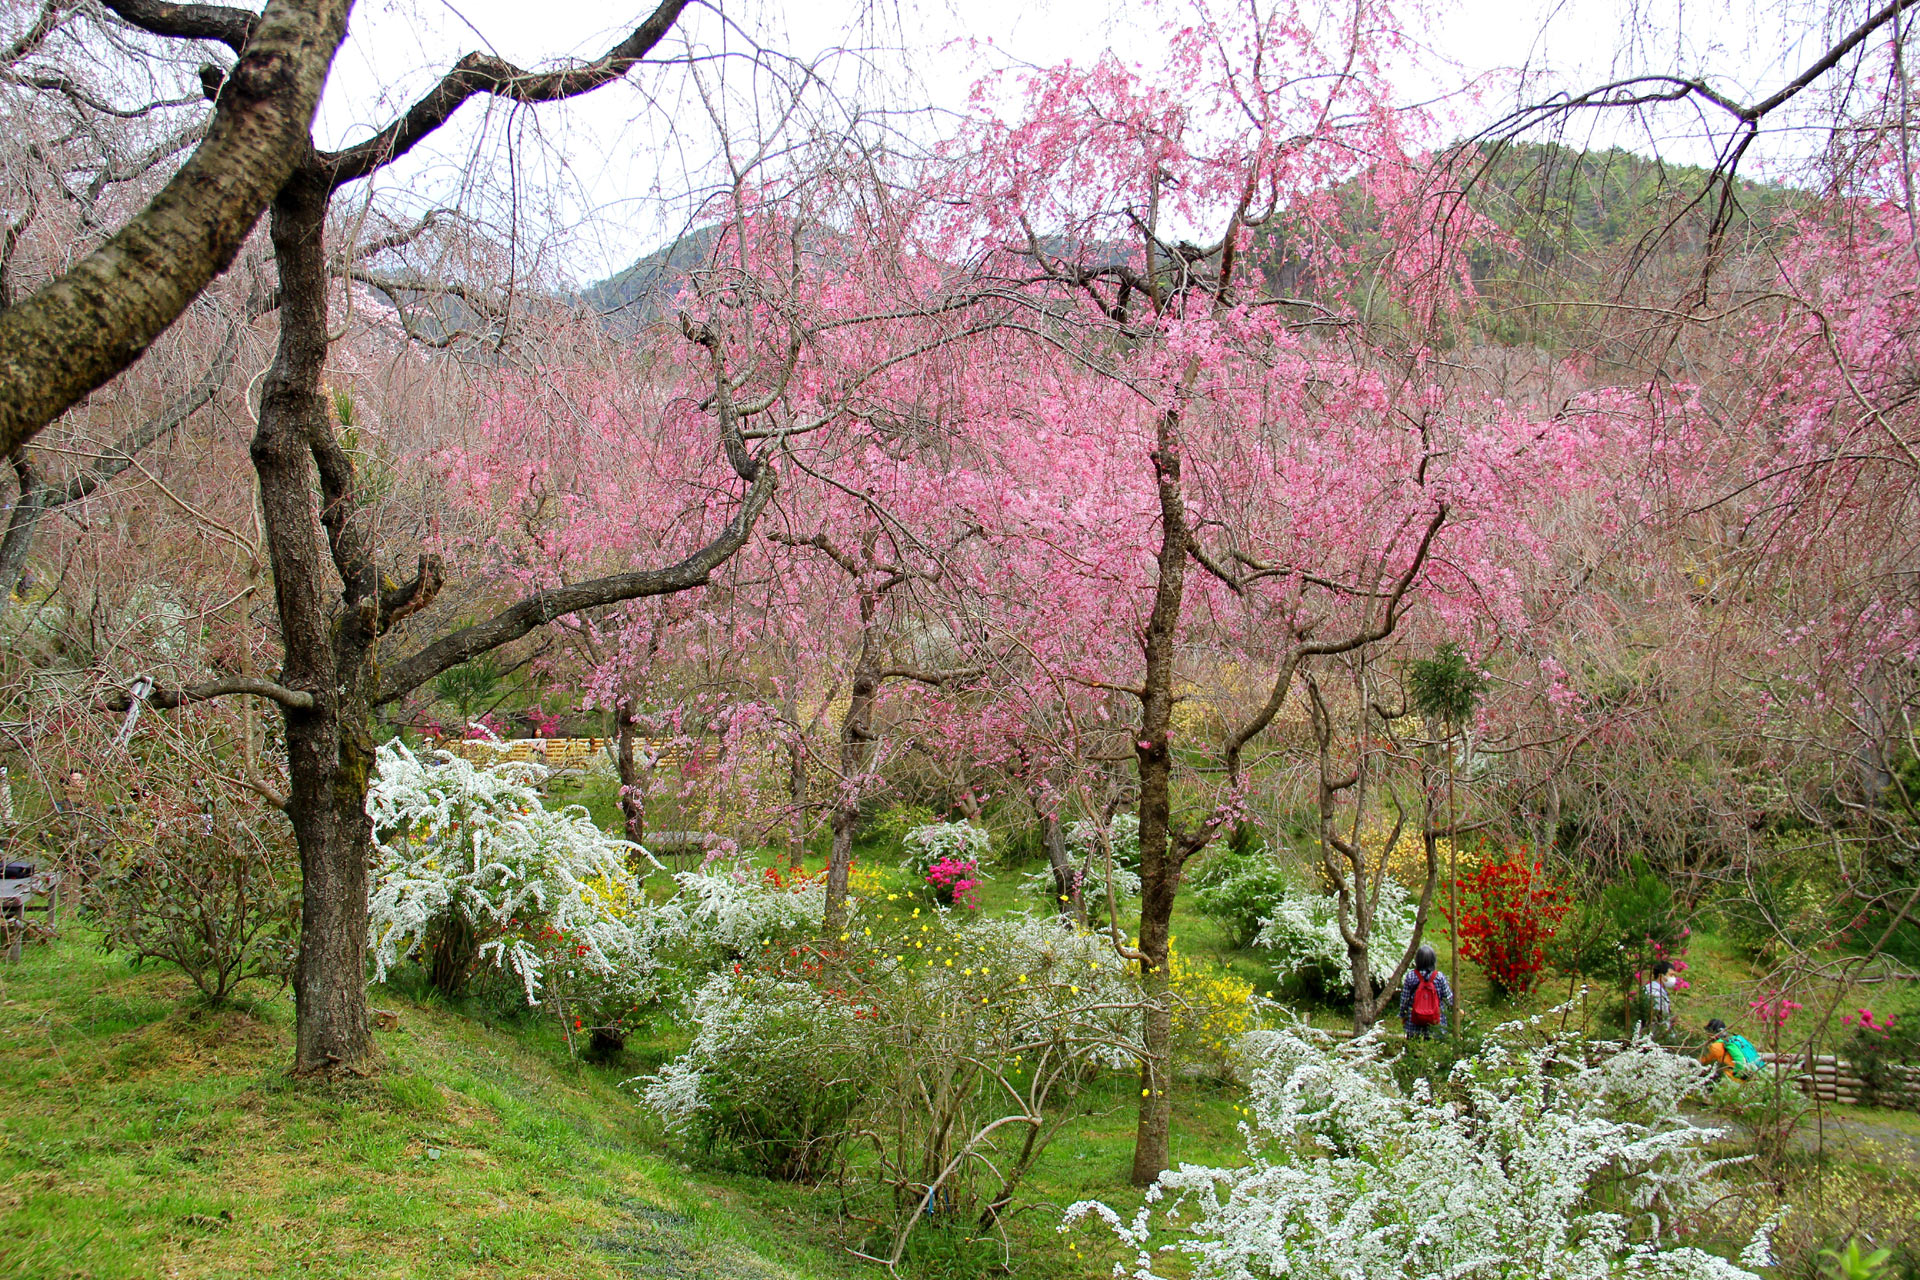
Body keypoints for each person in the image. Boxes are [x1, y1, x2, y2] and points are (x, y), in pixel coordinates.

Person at [1400, 944, 1453, 1038]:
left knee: (1413, 1049)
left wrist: (1403, 1015)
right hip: (1436, 1023)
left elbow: (1404, 999)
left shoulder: (1411, 976)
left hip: (1414, 1022)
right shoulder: (1439, 977)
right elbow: (1448, 998)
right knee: (1434, 1050)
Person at [1641, 960, 1677, 1035]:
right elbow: (1658, 1017)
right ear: (1661, 976)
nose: (1673, 978)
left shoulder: (1660, 991)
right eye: (1671, 975)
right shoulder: (1654, 992)